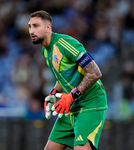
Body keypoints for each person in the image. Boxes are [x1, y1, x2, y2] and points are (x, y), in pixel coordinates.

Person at [28, 10, 108, 150]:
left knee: (80, 148)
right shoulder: (45, 50)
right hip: (72, 105)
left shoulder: (65, 44)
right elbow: (63, 77)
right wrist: (53, 93)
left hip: (90, 103)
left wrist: (72, 96)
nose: (31, 31)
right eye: (30, 26)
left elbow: (95, 72)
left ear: (48, 28)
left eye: (36, 26)